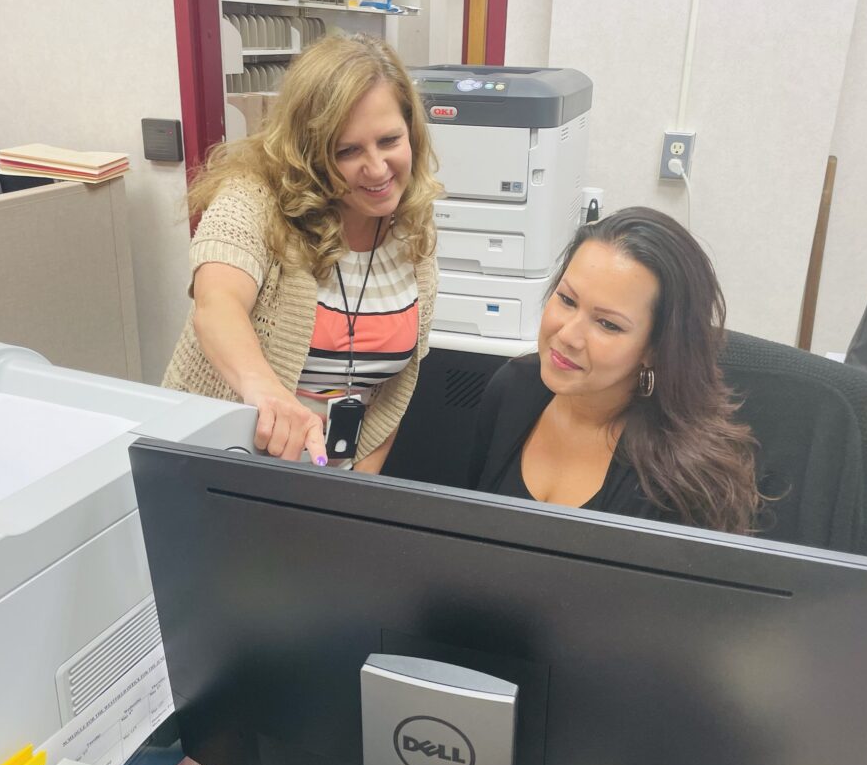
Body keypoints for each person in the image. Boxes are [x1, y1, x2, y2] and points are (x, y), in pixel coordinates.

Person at [163, 33, 442, 471]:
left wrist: (351, 497)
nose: (376, 168)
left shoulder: (412, 231)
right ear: (310, 152)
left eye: (389, 140)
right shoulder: (253, 197)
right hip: (220, 464)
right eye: (347, 151)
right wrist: (267, 392)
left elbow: (391, 397)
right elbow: (216, 306)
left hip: (325, 482)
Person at [467, 207, 761, 534]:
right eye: (566, 300)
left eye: (608, 324)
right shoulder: (511, 389)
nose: (567, 335)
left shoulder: (681, 478)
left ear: (655, 348)